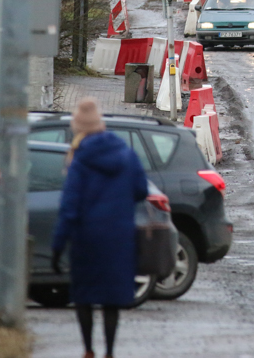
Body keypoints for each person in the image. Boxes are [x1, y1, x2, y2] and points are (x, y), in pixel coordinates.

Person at [52, 98, 149, 358]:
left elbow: (69, 207)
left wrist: (58, 245)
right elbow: (141, 190)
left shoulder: (80, 159)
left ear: (78, 128)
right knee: (112, 298)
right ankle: (109, 351)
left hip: (86, 239)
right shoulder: (126, 154)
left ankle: (88, 350)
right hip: (119, 239)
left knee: (84, 296)